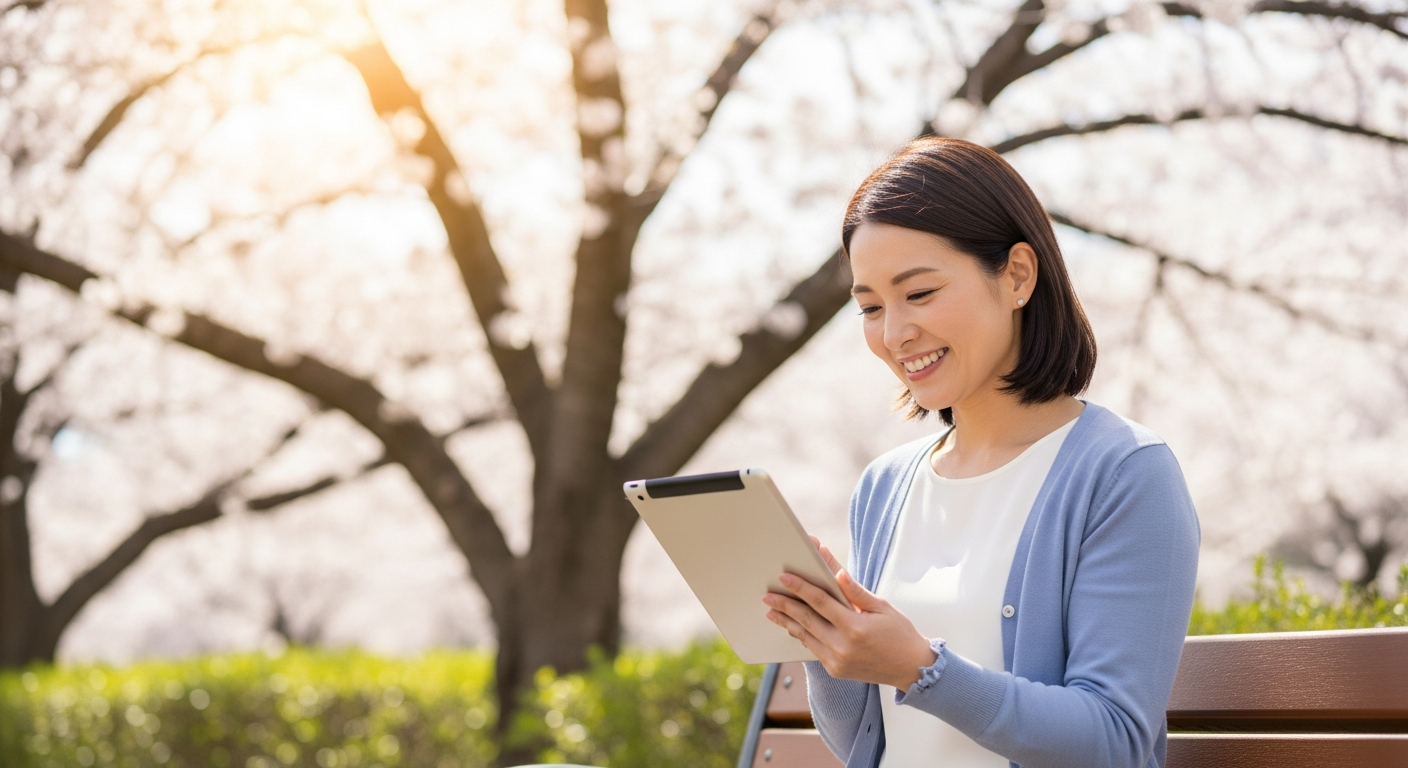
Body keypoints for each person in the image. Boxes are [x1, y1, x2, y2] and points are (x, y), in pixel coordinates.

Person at [761, 137, 1200, 768]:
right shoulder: (886, 485)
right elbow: (863, 741)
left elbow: (1113, 742)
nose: (894, 333)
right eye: (870, 307)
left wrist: (921, 668)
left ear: (1017, 275)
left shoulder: (1124, 473)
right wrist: (827, 641)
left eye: (919, 293)